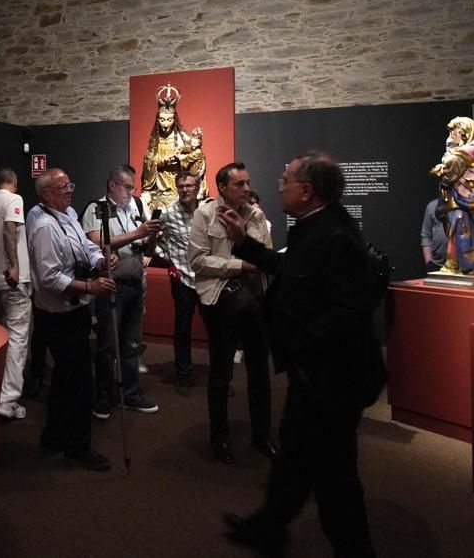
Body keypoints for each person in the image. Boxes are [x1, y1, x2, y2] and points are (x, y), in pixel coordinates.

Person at [220, 151, 385, 558]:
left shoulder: (336, 236)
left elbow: (350, 310)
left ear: (307, 192)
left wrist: (301, 341)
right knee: (294, 454)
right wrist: (244, 244)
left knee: (334, 478)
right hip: (314, 373)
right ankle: (268, 528)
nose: (278, 185)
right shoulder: (314, 226)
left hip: (333, 378)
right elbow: (288, 268)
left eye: (286, 179)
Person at [27, 168, 117, 471]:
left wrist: (100, 260)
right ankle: (77, 446)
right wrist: (91, 286)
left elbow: (86, 247)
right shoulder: (43, 227)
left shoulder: (67, 216)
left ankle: (53, 438)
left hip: (74, 310)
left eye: (70, 184)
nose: (69, 190)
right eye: (62, 187)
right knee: (80, 383)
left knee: (66, 380)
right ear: (45, 194)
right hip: (58, 314)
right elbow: (49, 277)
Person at [188, 162, 275, 465]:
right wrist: (241, 266)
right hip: (218, 299)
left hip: (254, 298)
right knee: (221, 372)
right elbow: (198, 261)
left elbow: (266, 255)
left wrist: (254, 264)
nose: (247, 188)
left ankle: (262, 435)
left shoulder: (257, 215)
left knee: (260, 371)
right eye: (239, 184)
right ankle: (220, 437)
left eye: (248, 183)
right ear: (222, 188)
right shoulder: (204, 214)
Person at [82, 166, 162, 418]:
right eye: (127, 187)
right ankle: (104, 397)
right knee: (107, 344)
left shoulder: (137, 206)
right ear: (111, 185)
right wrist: (137, 233)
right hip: (110, 285)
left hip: (135, 282)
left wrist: (152, 236)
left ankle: (131, 394)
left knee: (131, 344)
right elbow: (94, 241)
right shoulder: (96, 208)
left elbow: (145, 242)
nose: (131, 192)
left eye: (133, 187)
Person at [0, 169, 32, 420]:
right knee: (17, 340)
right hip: (11, 280)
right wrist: (14, 266)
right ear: (15, 182)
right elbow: (9, 229)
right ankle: (7, 400)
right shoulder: (14, 199)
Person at [155, 171, 202, 395]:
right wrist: (167, 258)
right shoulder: (168, 213)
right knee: (182, 329)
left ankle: (220, 375)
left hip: (207, 279)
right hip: (183, 279)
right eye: (181, 186)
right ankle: (183, 374)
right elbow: (152, 238)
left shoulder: (207, 211)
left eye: (189, 185)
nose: (185, 189)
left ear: (197, 187)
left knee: (216, 327)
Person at [431, 116, 474, 274]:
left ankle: (472, 265)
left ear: (463, 132)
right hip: (461, 198)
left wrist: (441, 169)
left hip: (466, 198)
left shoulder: (470, 149)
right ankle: (455, 263)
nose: (451, 136)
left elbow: (451, 164)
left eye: (453, 132)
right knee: (457, 229)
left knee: (462, 229)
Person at [141, 84, 207, 212]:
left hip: (182, 188)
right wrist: (162, 161)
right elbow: (148, 161)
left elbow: (197, 153)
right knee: (156, 209)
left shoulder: (183, 138)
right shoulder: (155, 142)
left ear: (174, 119)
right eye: (162, 119)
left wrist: (195, 140)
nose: (165, 124)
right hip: (162, 191)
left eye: (169, 120)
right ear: (157, 120)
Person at [420, 198, 447, 272]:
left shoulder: (466, 204)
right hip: (437, 264)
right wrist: (429, 262)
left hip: (461, 264)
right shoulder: (432, 206)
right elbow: (426, 235)